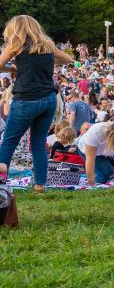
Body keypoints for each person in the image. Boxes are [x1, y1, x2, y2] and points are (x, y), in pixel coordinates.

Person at [0, 16, 75, 192]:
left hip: (26, 99)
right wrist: (47, 62)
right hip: (48, 98)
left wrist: (10, 69)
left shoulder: (15, 46)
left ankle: (1, 180)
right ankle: (40, 185)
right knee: (38, 143)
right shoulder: (47, 46)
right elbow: (68, 60)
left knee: (9, 141)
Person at [79, 118, 114, 185]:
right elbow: (90, 159)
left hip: (104, 153)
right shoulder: (97, 131)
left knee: (110, 176)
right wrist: (91, 182)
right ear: (112, 135)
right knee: (102, 178)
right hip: (85, 149)